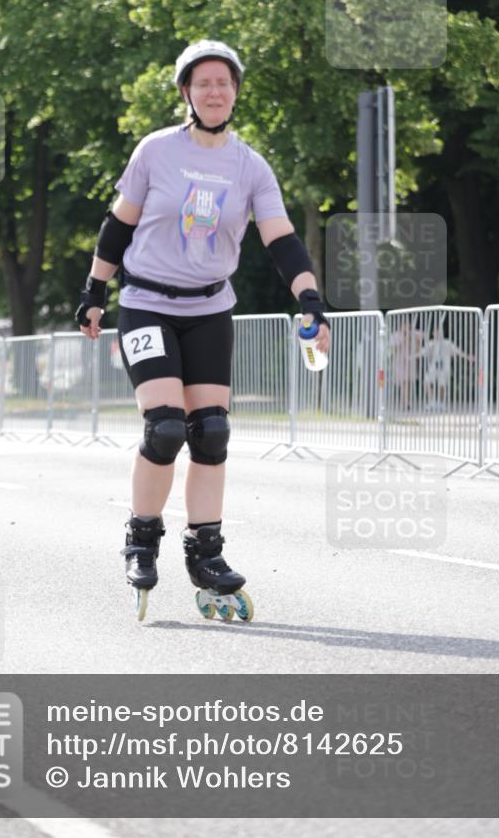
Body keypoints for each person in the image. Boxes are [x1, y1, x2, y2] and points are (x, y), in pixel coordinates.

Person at [76, 39, 330, 620]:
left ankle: (206, 555)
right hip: (145, 303)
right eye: (204, 83)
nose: (215, 92)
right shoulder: (155, 151)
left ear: (235, 92)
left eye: (225, 82)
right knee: (165, 429)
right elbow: (117, 226)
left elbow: (281, 239)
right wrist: (94, 291)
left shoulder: (249, 166)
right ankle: (141, 540)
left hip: (210, 308)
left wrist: (310, 298)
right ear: (186, 92)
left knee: (210, 433)